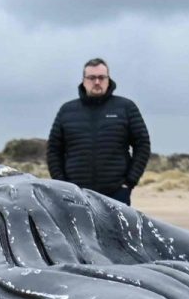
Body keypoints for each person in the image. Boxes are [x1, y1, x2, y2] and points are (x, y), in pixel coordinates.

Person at [46, 58, 151, 205]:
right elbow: (53, 150)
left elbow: (143, 144)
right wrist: (63, 184)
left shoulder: (126, 107)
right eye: (91, 78)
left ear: (108, 79)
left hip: (116, 194)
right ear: (83, 80)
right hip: (75, 195)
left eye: (101, 77)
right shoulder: (66, 111)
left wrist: (129, 182)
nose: (97, 82)